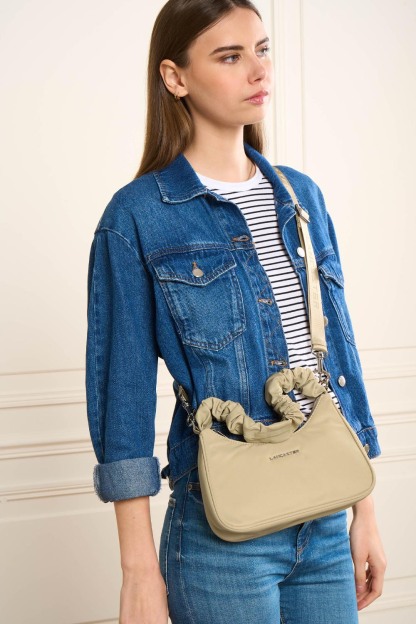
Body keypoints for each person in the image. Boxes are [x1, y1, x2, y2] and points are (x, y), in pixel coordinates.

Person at [85, 1, 387, 622]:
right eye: (229, 57)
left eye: (262, 49)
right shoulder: (137, 216)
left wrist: (365, 511)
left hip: (327, 519)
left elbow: (336, 359)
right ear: (175, 77)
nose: (258, 70)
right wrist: (138, 572)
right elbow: (124, 400)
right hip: (222, 535)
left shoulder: (302, 197)